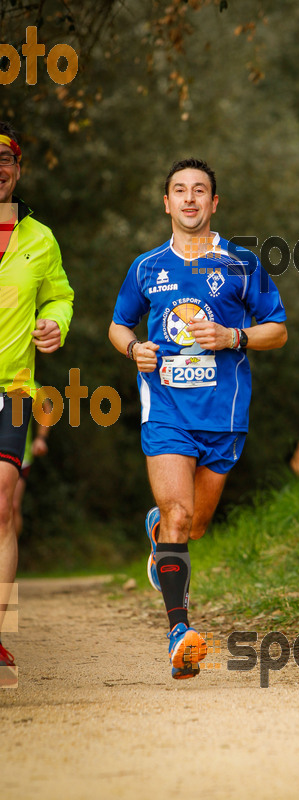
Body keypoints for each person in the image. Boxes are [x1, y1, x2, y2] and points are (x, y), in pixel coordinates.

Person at [109, 157, 287, 681]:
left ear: (214, 203)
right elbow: (118, 326)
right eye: (179, 191)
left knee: (195, 525)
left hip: (224, 415)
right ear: (166, 203)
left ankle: (158, 530)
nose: (189, 199)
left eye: (200, 191)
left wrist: (235, 336)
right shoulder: (146, 267)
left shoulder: (241, 263)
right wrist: (135, 349)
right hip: (165, 410)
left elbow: (277, 328)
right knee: (181, 517)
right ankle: (179, 633)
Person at [0, 122, 74, 679]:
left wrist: (53, 322)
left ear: (18, 169)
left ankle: (0, 639)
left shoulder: (39, 239)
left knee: (3, 509)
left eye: (5, 157)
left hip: (14, 389)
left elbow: (60, 295)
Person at [13, 390, 53, 539]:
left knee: (12, 506)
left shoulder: (25, 381)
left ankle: (10, 552)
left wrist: (41, 438)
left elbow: (46, 407)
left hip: (20, 457)